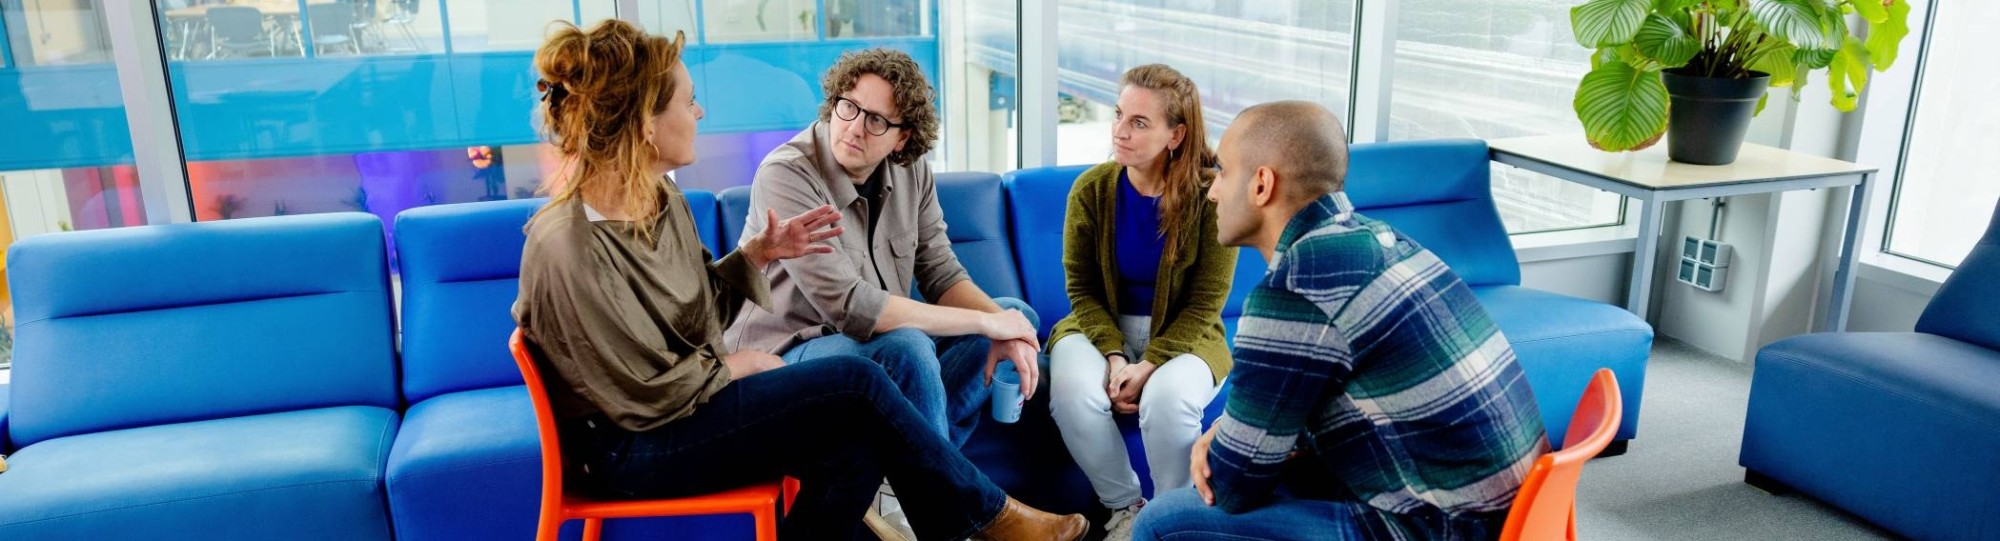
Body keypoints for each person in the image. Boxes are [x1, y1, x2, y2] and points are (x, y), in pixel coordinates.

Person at [512, 20, 1085, 540]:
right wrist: (734, 365)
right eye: (689, 102)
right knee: (861, 387)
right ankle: (979, 518)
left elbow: (691, 318)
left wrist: (754, 255)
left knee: (863, 429)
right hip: (635, 448)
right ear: (644, 124)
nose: (701, 113)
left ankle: (942, 504)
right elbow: (636, 396)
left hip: (687, 408)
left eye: (878, 120)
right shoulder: (568, 242)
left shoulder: (659, 201)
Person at [1131, 101, 1550, 540]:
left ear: (1261, 185)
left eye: (1222, 171)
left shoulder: (1293, 288)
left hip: (1445, 526)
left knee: (1162, 523)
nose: (1212, 191)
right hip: (1515, 511)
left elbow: (1234, 488)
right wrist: (1236, 438)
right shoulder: (1380, 239)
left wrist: (1224, 444)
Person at [725, 48, 1042, 449]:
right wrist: (986, 323)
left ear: (902, 138)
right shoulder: (786, 173)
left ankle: (909, 475)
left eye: (876, 120)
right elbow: (852, 307)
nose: (855, 128)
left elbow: (941, 273)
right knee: (910, 346)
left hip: (876, 347)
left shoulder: (913, 171)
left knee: (1017, 314)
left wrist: (1006, 327)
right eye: (849, 107)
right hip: (786, 354)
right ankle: (943, 496)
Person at [1044, 64, 1235, 541]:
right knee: (1071, 392)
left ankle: (1171, 521)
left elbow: (1207, 303)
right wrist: (1113, 355)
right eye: (1118, 115)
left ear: (1176, 135)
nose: (1119, 132)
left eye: (1139, 123)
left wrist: (1150, 363)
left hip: (1186, 336)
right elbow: (1082, 288)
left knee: (1168, 402)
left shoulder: (1211, 195)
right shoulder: (1091, 190)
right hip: (1099, 326)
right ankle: (1127, 510)